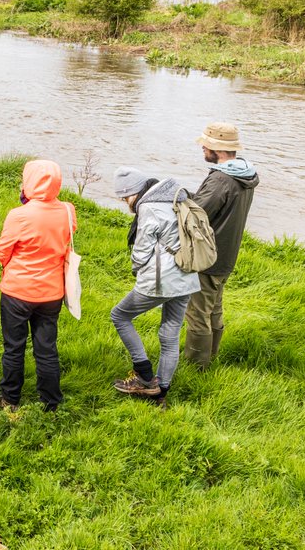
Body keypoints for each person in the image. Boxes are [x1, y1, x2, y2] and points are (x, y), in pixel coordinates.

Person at [110, 167, 202, 407]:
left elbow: (142, 249)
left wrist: (137, 270)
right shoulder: (176, 197)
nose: (126, 203)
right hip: (188, 277)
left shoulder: (148, 206)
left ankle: (144, 375)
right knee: (169, 335)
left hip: (161, 281)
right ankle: (160, 395)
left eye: (125, 198)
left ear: (133, 192)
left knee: (120, 315)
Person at [0, 159, 76, 411]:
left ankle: (10, 399)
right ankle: (51, 402)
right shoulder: (67, 210)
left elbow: (3, 250)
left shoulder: (18, 215)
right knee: (46, 348)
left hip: (17, 291)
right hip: (51, 292)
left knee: (14, 347)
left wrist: (10, 268)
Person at [184, 122, 259, 369]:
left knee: (197, 313)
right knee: (214, 308)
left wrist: (182, 199)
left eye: (205, 144)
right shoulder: (245, 174)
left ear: (216, 147)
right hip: (227, 254)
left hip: (208, 255)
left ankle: (196, 366)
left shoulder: (220, 180)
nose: (202, 148)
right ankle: (211, 357)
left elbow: (197, 213)